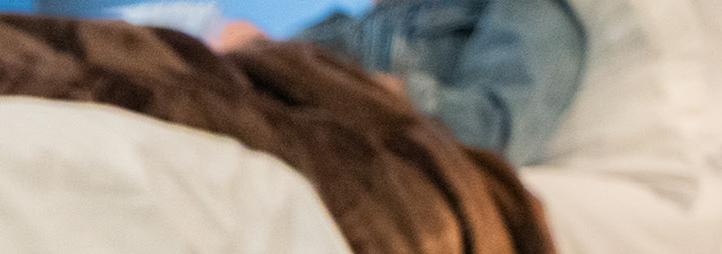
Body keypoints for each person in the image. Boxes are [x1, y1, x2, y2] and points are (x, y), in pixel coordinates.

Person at [209, 0, 587, 165]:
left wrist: (365, 94)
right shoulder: (356, 24)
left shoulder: (527, 9)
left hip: (345, 155)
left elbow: (495, 133)